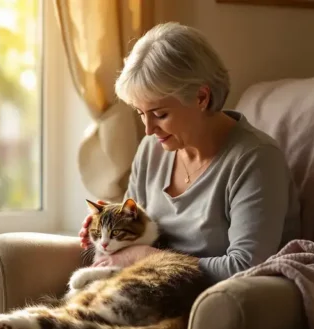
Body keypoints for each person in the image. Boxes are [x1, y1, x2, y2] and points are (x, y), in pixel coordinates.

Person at [79, 22, 301, 284]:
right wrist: (110, 233)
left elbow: (246, 266)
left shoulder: (256, 159)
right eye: (141, 113)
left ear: (201, 98)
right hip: (153, 290)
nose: (149, 129)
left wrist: (147, 257)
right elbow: (131, 240)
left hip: (220, 302)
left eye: (160, 114)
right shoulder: (152, 149)